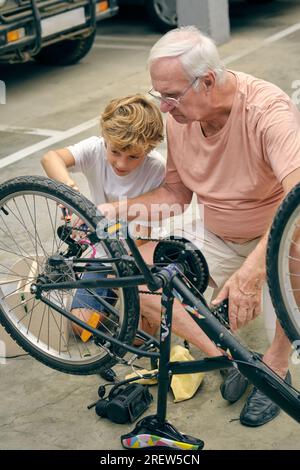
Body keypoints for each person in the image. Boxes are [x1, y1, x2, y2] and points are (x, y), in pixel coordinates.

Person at [99, 26, 300, 427]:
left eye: (170, 96)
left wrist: (255, 268)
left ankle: (276, 366)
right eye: (159, 95)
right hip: (216, 232)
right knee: (140, 276)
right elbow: (175, 192)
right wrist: (116, 209)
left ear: (207, 81)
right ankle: (230, 358)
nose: (165, 108)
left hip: (275, 239)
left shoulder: (265, 110)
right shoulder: (181, 117)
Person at [41, 94, 165, 338]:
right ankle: (112, 297)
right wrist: (71, 192)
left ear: (149, 148)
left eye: (133, 156)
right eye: (116, 151)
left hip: (140, 253)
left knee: (144, 338)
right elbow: (50, 158)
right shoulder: (95, 149)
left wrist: (117, 273)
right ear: (105, 139)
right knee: (82, 327)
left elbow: (143, 236)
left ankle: (137, 302)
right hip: (105, 254)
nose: (121, 163)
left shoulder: (156, 169)